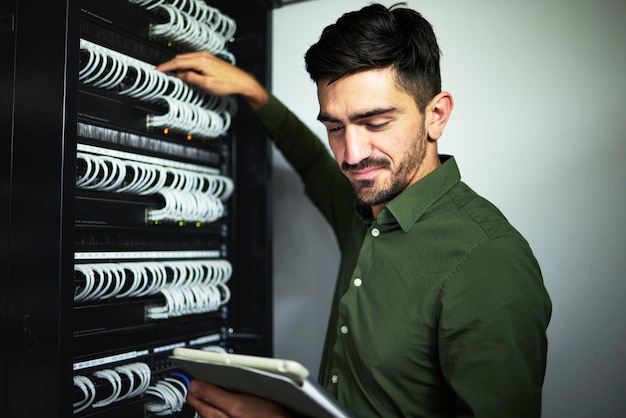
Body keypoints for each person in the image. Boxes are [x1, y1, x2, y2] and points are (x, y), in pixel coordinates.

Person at [157, 3, 552, 417]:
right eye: (334, 127)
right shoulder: (364, 202)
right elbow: (311, 160)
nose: (351, 154)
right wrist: (252, 92)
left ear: (435, 116)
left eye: (376, 123)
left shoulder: (489, 261)